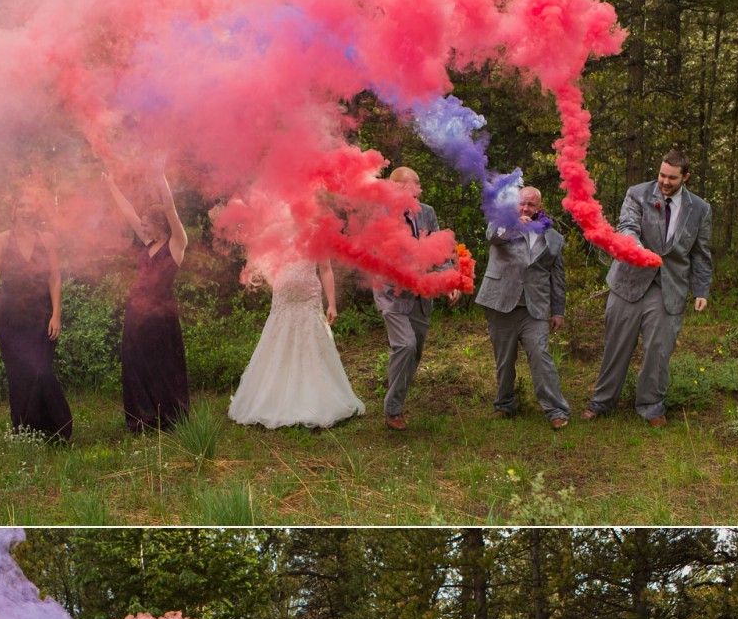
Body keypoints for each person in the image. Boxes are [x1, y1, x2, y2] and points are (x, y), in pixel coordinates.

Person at [583, 149, 712, 428]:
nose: (665, 182)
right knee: (617, 345)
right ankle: (602, 401)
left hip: (669, 287)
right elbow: (627, 226)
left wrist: (701, 290)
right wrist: (635, 248)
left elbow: (700, 254)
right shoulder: (637, 193)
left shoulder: (700, 209)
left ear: (685, 177)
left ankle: (651, 406)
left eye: (672, 178)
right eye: (662, 175)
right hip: (629, 280)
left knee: (659, 349)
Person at [0, 189, 73, 442]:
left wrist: (56, 314)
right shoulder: (0, 240)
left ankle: (59, 428)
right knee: (19, 374)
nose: (27, 210)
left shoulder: (48, 239)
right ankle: (26, 430)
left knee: (41, 370)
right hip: (11, 318)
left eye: (32, 206)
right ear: (14, 210)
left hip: (41, 316)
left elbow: (55, 277)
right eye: (22, 206)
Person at [228, 257, 365, 428]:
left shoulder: (317, 233)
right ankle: (276, 398)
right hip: (283, 299)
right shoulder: (277, 231)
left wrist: (332, 304)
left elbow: (325, 269)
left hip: (309, 298)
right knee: (279, 345)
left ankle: (314, 399)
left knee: (312, 347)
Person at [372, 166, 459, 431]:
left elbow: (439, 252)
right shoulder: (380, 214)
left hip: (422, 296)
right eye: (414, 184)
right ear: (397, 187)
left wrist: (449, 280)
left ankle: (396, 401)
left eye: (420, 184)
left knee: (416, 351)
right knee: (406, 346)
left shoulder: (427, 212)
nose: (419, 189)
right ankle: (392, 410)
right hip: (393, 295)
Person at [475, 186, 571, 429]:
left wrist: (558, 310)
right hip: (500, 302)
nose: (526, 208)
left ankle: (556, 410)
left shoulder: (554, 238)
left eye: (531, 205)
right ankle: (505, 404)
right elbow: (492, 236)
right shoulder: (500, 224)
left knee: (541, 355)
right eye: (522, 203)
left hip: (534, 307)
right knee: (504, 360)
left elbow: (557, 277)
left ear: (540, 208)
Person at [104, 169, 189, 434]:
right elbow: (128, 212)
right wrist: (111, 185)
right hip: (137, 312)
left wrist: (160, 174)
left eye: (146, 223)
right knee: (137, 363)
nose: (142, 226)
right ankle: (142, 417)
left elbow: (171, 207)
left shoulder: (176, 245)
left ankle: (169, 416)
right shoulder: (147, 243)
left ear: (159, 223)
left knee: (162, 365)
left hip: (161, 315)